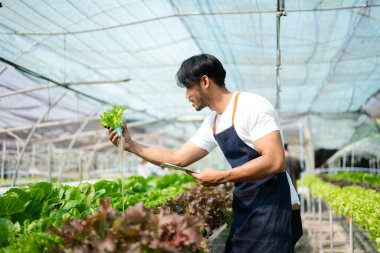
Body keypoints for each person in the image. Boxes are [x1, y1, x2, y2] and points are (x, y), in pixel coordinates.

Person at [108, 54, 301, 252]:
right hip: (247, 207)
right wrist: (131, 146)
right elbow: (177, 158)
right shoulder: (213, 123)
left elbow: (275, 161)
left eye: (188, 87)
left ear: (205, 81)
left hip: (275, 208)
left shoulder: (251, 106)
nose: (186, 96)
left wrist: (222, 176)